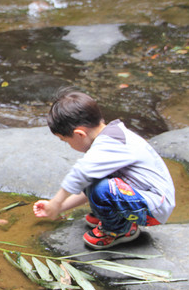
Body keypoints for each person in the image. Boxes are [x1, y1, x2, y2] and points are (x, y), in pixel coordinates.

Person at [32, 87, 175, 249]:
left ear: (79, 134)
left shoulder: (111, 144)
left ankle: (119, 230)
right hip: (143, 198)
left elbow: (82, 175)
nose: (68, 145)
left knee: (101, 187)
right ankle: (117, 217)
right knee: (97, 182)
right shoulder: (110, 135)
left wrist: (56, 202)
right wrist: (61, 208)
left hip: (154, 208)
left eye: (66, 141)